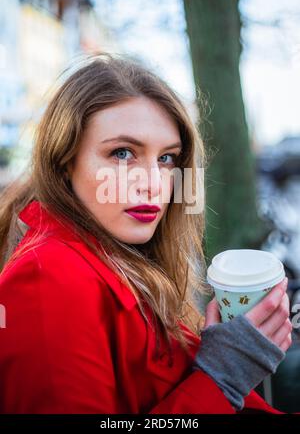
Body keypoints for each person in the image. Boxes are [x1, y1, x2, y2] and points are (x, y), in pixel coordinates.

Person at [0, 53, 292, 414]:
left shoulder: (120, 262)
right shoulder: (47, 276)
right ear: (64, 162)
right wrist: (222, 377)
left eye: (167, 158)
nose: (153, 183)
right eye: (123, 153)